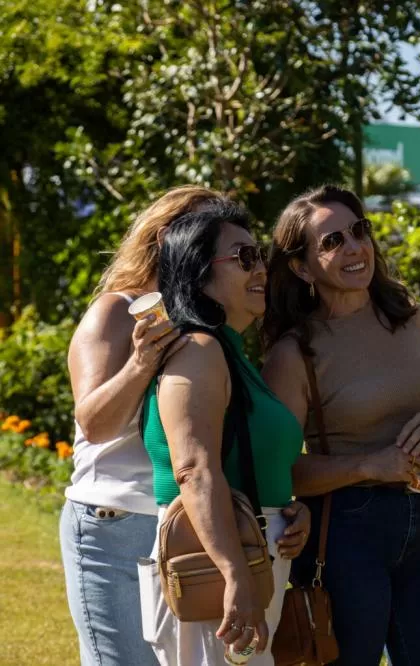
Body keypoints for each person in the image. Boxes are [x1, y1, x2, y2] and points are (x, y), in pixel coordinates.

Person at [261, 184, 420, 666]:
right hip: (344, 537)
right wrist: (372, 465)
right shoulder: (295, 353)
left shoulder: (414, 319)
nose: (354, 247)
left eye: (359, 231)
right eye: (332, 241)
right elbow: (282, 471)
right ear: (300, 266)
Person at [136, 200, 310, 665]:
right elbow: (193, 470)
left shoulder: (229, 354)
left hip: (243, 552)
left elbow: (250, 460)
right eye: (243, 258)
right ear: (199, 273)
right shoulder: (198, 350)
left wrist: (286, 510)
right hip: (211, 563)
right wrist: (234, 573)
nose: (261, 270)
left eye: (261, 256)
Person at [63, 186, 225, 666]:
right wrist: (140, 362)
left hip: (180, 527)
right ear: (162, 238)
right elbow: (93, 423)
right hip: (111, 528)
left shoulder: (209, 321)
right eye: (199, 235)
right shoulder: (116, 309)